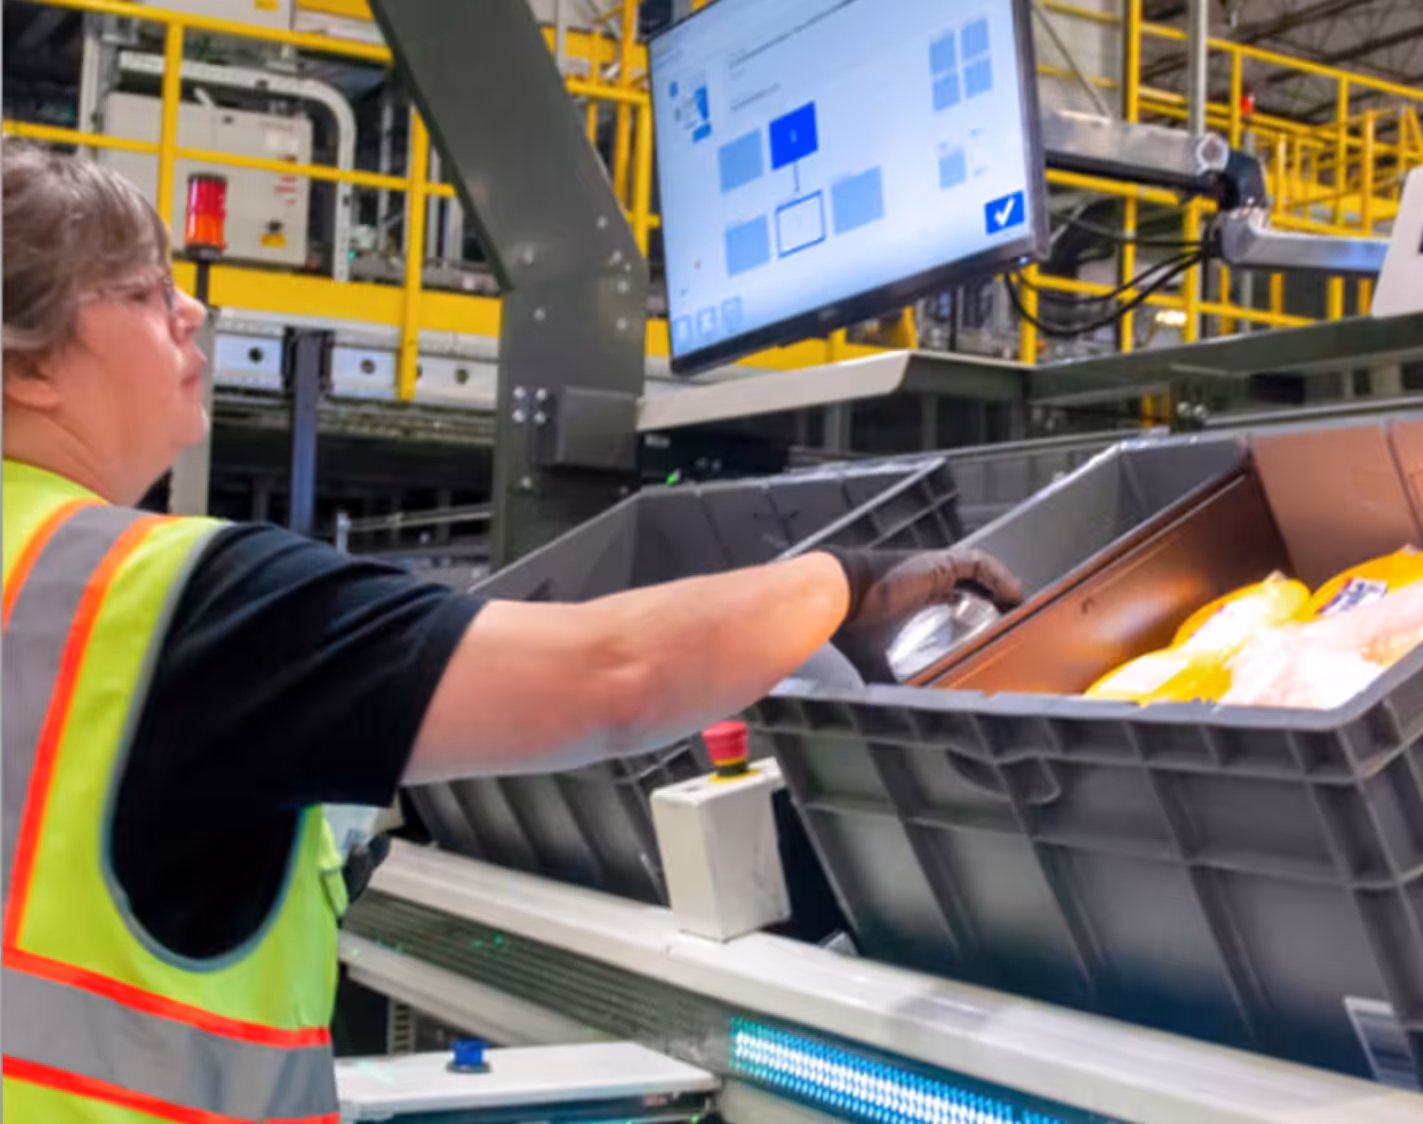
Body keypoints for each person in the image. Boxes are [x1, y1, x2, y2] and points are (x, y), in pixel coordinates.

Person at [0, 139, 1022, 1124]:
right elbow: (613, 670)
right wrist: (848, 582)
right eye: (140, 293)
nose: (193, 310)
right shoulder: (163, 599)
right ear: (29, 365)